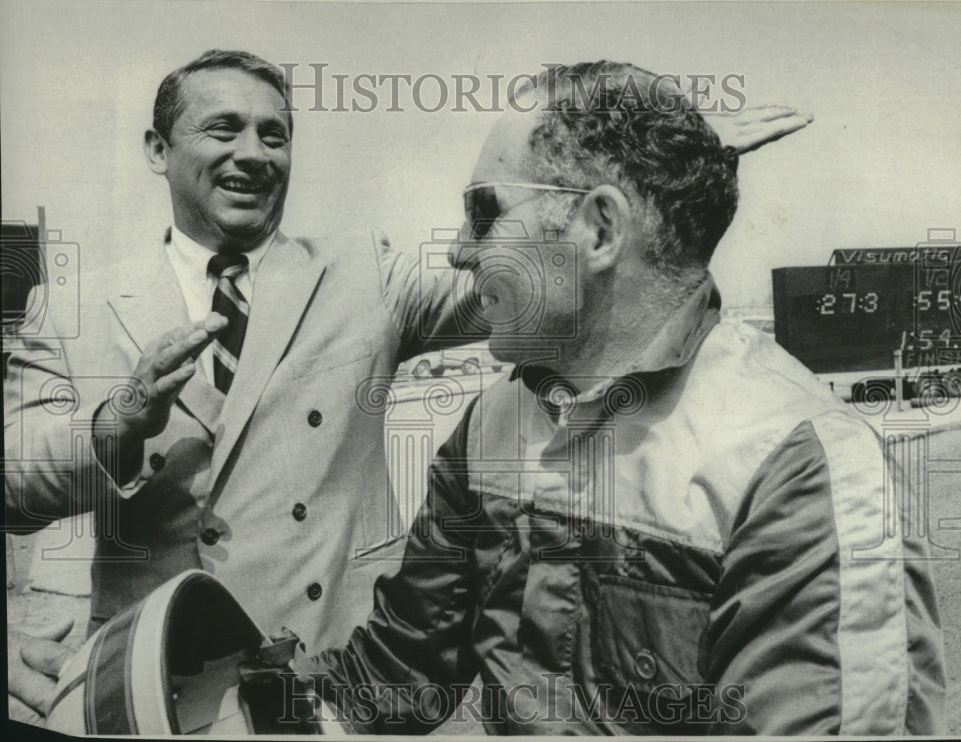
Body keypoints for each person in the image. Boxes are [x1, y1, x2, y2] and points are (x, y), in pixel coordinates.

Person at [3, 53, 814, 722]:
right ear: (157, 148)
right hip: (154, 686)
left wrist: (650, 175)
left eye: (275, 134)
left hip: (336, 685)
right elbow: (14, 481)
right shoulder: (74, 302)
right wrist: (116, 423)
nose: (254, 152)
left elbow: (512, 267)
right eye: (224, 127)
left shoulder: (364, 273)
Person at [283, 62, 946, 734]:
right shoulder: (490, 424)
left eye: (484, 213)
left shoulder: (800, 466)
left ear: (599, 230)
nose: (458, 250)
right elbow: (393, 683)